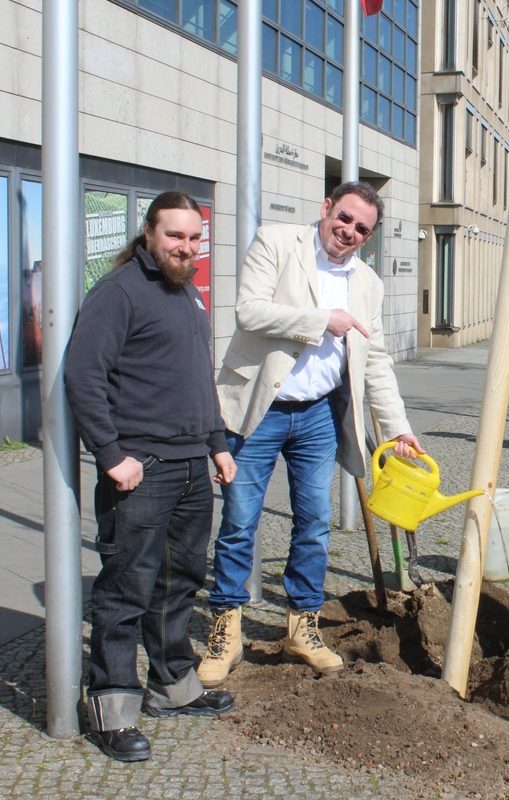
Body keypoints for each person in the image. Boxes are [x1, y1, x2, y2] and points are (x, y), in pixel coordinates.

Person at [198, 181, 421, 687]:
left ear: (369, 236)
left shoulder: (368, 283)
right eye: (344, 218)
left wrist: (398, 430)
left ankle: (303, 627)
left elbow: (376, 361)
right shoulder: (277, 243)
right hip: (260, 408)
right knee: (239, 522)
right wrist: (322, 320)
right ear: (326, 208)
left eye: (361, 228)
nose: (348, 231)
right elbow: (249, 310)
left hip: (318, 415)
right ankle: (226, 633)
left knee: (315, 523)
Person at [65, 191, 238, 763]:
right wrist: (111, 454)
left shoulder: (188, 293)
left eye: (194, 238)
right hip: (141, 472)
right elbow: (84, 375)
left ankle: (173, 686)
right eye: (174, 236)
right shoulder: (118, 292)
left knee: (179, 583)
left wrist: (217, 444)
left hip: (191, 467)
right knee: (126, 590)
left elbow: (197, 379)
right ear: (149, 233)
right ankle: (111, 712)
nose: (185, 247)